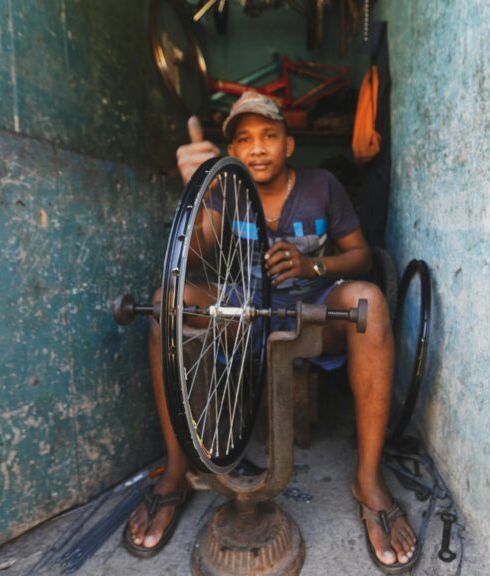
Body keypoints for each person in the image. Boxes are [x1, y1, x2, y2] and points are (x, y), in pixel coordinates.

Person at [124, 92, 418, 573]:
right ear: (232, 151)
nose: (257, 148)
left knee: (369, 301)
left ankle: (368, 480)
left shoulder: (323, 186)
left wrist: (312, 263)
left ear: (288, 144)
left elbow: (362, 256)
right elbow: (194, 257)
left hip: (313, 310)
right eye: (243, 139)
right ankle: (175, 473)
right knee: (163, 305)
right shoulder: (224, 191)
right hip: (243, 311)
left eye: (268, 136)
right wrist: (193, 193)